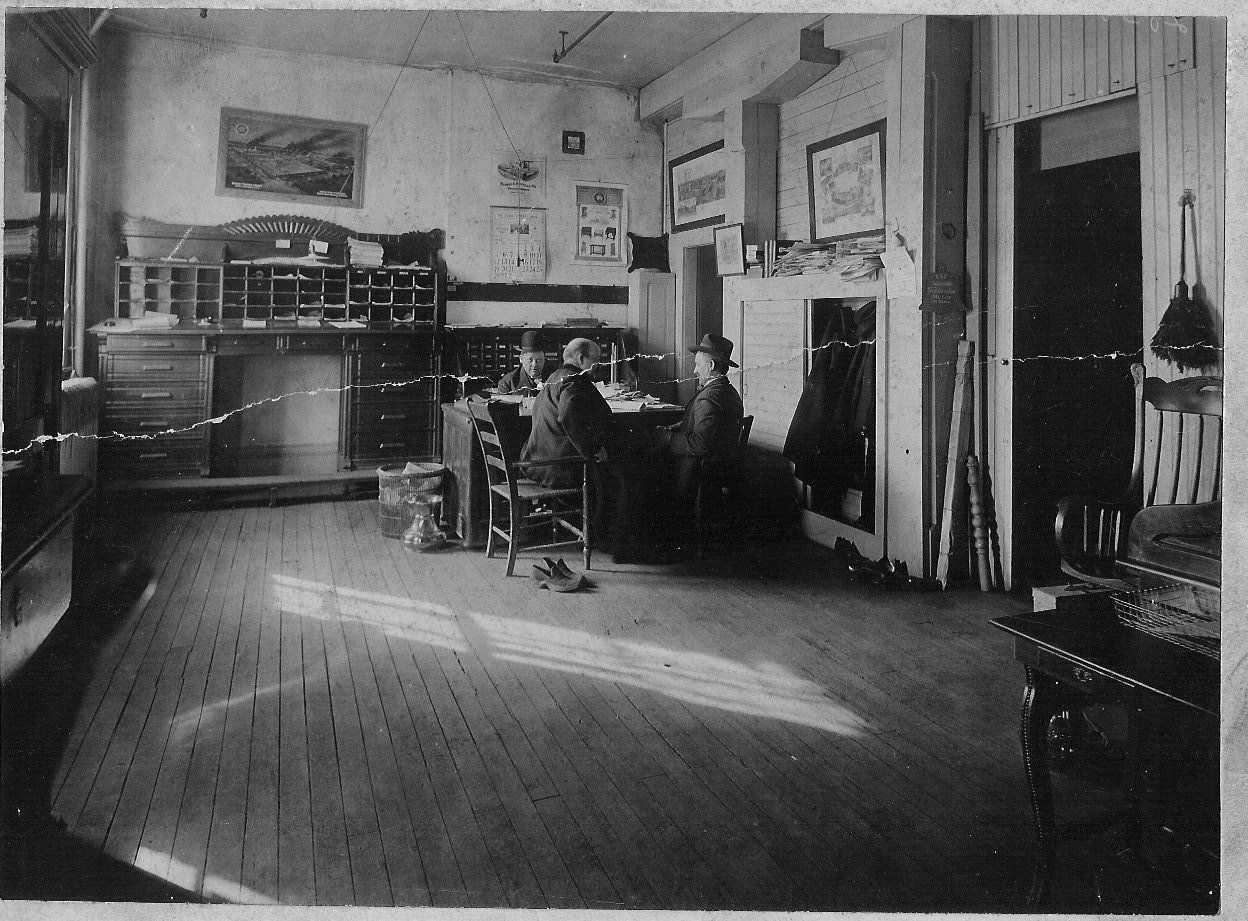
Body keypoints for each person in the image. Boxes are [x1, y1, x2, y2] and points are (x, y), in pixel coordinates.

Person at [519, 338, 644, 563]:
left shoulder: (555, 376)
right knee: (626, 473)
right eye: (595, 361)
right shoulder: (575, 381)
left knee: (618, 464)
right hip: (559, 467)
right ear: (580, 358)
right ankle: (615, 543)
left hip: (540, 460)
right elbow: (568, 416)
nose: (598, 367)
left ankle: (604, 535)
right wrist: (592, 450)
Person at [648, 333, 745, 545]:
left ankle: (663, 539)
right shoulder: (727, 391)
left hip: (701, 469)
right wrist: (674, 428)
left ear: (711, 366)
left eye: (698, 365)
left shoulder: (709, 397)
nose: (694, 370)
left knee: (647, 469)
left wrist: (667, 437)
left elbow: (701, 443)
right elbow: (709, 426)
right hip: (721, 463)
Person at [497, 329, 550, 395]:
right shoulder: (508, 382)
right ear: (521, 359)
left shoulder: (554, 379)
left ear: (544, 360)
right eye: (530, 360)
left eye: (539, 360)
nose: (535, 364)